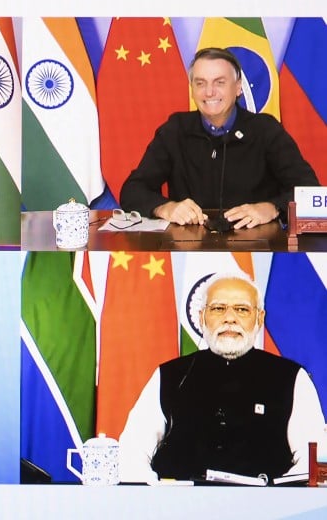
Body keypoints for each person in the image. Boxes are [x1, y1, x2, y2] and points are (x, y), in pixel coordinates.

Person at [119, 272, 325, 483]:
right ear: (201, 317)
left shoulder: (291, 377)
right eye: (218, 308)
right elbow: (132, 451)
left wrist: (277, 495)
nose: (229, 318)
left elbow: (313, 460)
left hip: (265, 503)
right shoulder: (169, 375)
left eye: (242, 309)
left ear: (259, 318)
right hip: (181, 501)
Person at [120, 47, 318, 229]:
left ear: (238, 88)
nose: (209, 92)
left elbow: (310, 191)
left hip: (256, 244)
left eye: (219, 82)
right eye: (200, 83)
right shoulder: (175, 129)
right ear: (192, 89)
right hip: (188, 245)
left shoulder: (266, 129)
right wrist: (165, 208)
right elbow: (132, 190)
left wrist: (273, 207)